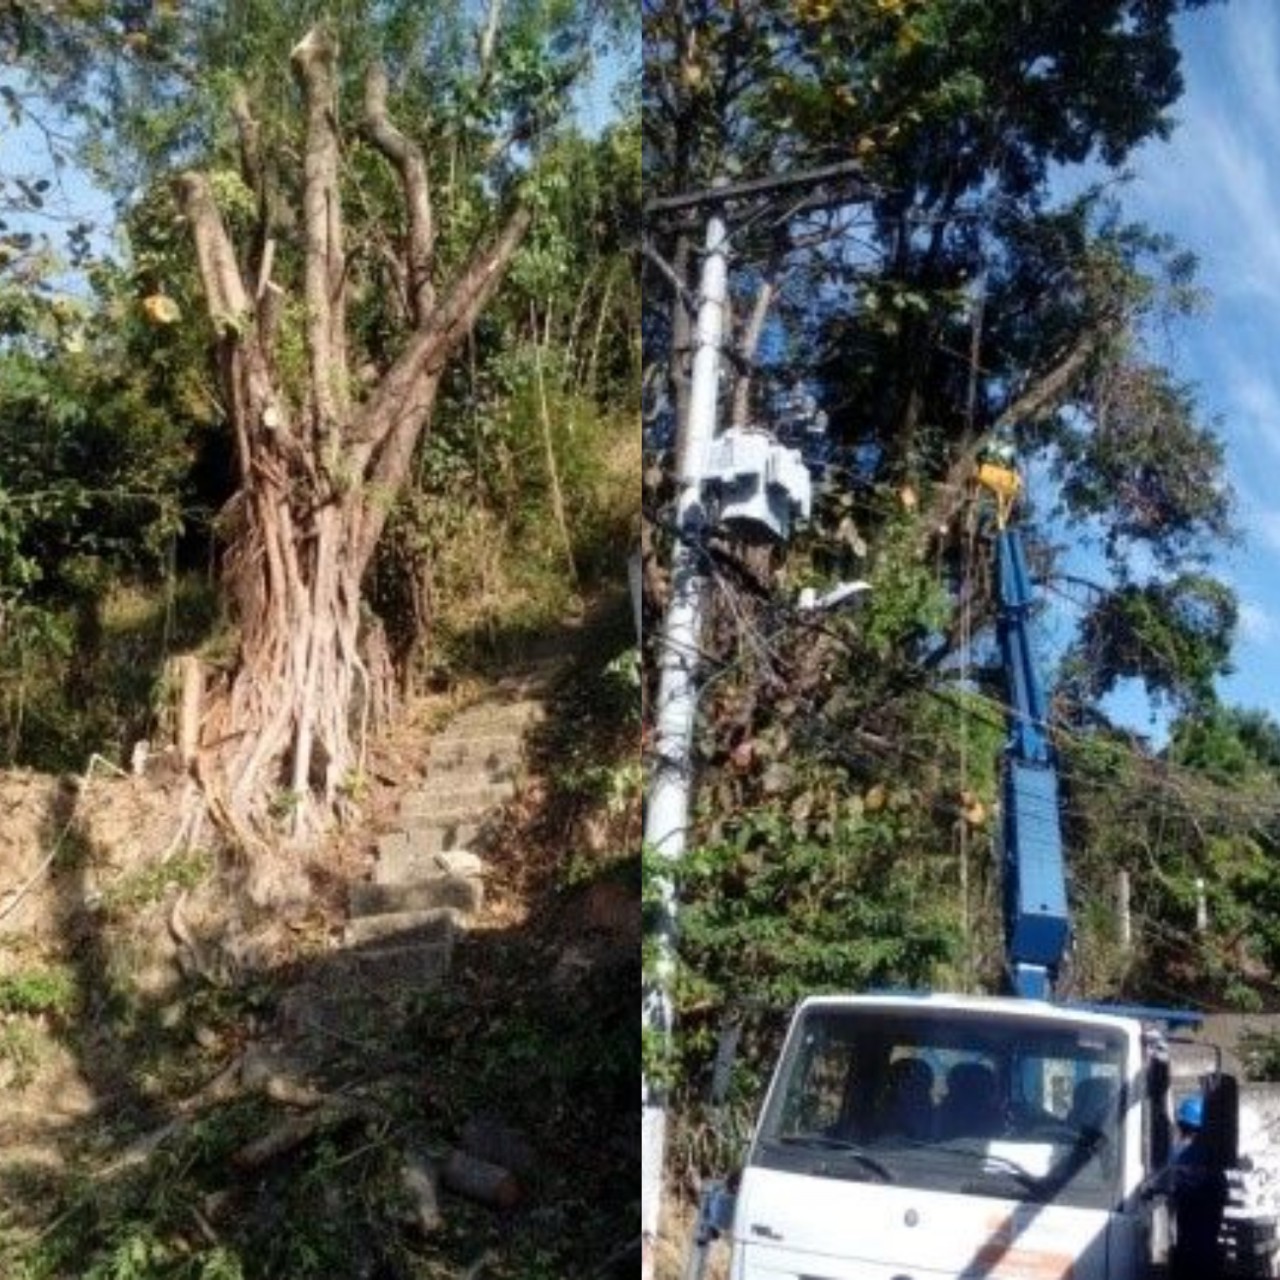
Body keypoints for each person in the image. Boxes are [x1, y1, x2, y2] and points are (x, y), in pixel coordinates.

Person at [1169, 1094, 1227, 1280]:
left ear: (1181, 1125)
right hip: (1205, 1243)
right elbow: (1222, 1192)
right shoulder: (1211, 1155)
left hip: (1186, 1239)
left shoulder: (1175, 1152)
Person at [879, 1057, 935, 1140]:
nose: (916, 1093)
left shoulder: (938, 1120)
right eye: (910, 1086)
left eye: (920, 1086)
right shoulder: (886, 1115)